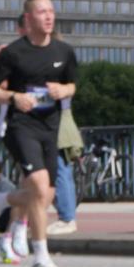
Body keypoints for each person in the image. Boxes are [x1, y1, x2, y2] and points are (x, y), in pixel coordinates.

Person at [0, 0, 77, 267]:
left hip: (50, 126)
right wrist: (12, 97)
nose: (48, 16)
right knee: (38, 183)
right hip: (21, 125)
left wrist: (64, 91)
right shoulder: (13, 53)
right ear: (28, 19)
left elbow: (72, 84)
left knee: (46, 192)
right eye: (41, 12)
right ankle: (41, 257)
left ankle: (2, 201)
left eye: (51, 11)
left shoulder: (64, 52)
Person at [0, 15, 30, 264]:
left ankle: (9, 235)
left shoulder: (50, 52)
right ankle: (16, 231)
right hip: (17, 124)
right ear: (20, 28)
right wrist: (12, 94)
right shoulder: (7, 52)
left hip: (45, 125)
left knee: (40, 188)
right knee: (32, 183)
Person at [50, 96, 83, 235]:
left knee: (60, 174)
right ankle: (68, 217)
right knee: (64, 173)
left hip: (57, 126)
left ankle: (66, 218)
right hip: (64, 124)